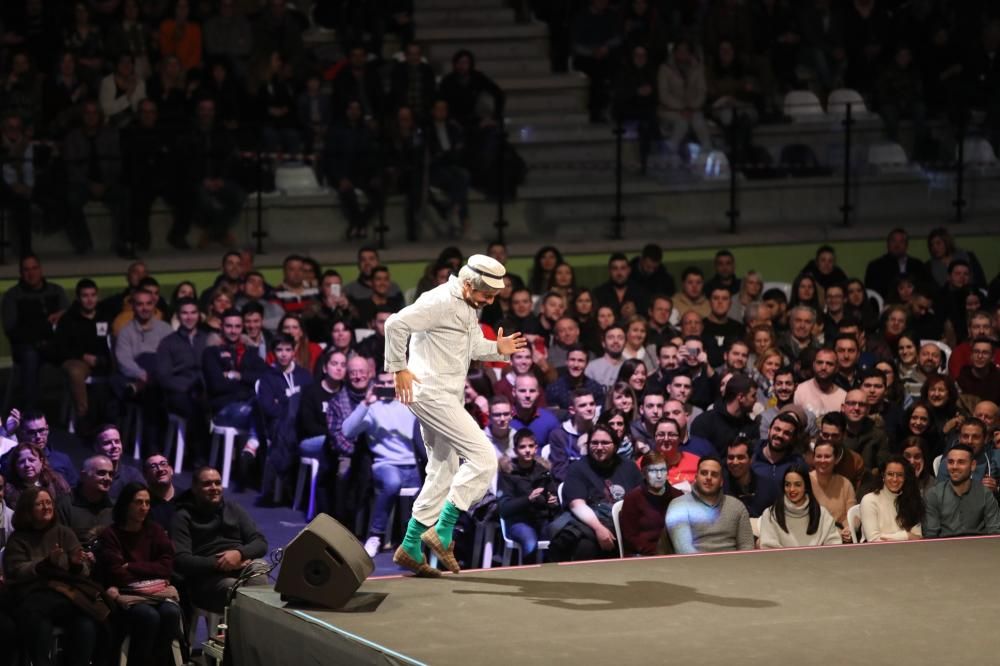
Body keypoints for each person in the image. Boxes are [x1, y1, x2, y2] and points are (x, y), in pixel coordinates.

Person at [385, 255, 525, 576]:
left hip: (446, 394)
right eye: (486, 295)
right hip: (431, 392)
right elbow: (395, 324)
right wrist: (398, 368)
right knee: (484, 458)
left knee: (444, 469)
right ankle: (443, 529)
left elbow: (472, 345)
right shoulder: (437, 301)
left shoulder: (467, 306)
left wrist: (497, 349)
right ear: (466, 284)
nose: (489, 302)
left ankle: (409, 544)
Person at [3, 487, 101, 666]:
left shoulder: (64, 532)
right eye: (40, 504)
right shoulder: (18, 539)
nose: (46, 507)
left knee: (86, 625)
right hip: (32, 597)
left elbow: (85, 570)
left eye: (49, 503)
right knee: (39, 624)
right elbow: (16, 570)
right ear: (28, 509)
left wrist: (77, 564)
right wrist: (44, 564)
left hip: (63, 596)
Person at [96, 482, 182, 666]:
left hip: (155, 594)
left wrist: (132, 566)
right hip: (126, 596)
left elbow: (166, 566)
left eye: (147, 503)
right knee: (148, 616)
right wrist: (150, 572)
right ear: (126, 504)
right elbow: (117, 574)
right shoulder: (111, 535)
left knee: (171, 612)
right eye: (138, 502)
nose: (144, 507)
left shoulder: (155, 530)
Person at [342, 370, 425, 558]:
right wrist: (366, 402)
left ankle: (414, 542)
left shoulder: (410, 403)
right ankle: (375, 535)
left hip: (413, 464)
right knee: (392, 483)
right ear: (376, 384)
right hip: (385, 464)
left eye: (391, 383)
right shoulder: (372, 408)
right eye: (383, 383)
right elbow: (347, 431)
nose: (387, 386)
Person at [172, 467, 269, 613]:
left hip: (240, 566)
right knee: (234, 588)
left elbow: (260, 542)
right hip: (206, 579)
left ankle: (250, 628)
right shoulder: (182, 517)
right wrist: (222, 563)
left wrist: (238, 554)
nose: (214, 488)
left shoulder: (233, 509)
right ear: (194, 488)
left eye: (217, 483)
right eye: (207, 484)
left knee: (259, 568)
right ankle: (247, 630)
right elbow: (181, 560)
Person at [553, 424, 643, 561]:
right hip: (591, 524)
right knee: (584, 545)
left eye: (605, 443)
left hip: (626, 524)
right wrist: (599, 529)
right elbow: (576, 504)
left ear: (616, 445)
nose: (599, 447)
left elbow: (642, 499)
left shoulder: (629, 467)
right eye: (594, 443)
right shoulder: (578, 468)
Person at [1, 254, 68, 410]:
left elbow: (69, 317)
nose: (31, 273)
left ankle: (78, 411)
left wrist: (63, 315)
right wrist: (43, 327)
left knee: (76, 351)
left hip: (54, 343)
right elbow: (11, 330)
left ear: (40, 270)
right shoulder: (12, 296)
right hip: (27, 346)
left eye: (34, 268)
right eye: (26, 270)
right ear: (21, 273)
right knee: (30, 356)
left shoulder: (56, 291)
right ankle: (30, 412)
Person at [665, 456, 755, 554]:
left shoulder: (737, 506)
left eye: (714, 474)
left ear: (721, 482)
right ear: (696, 477)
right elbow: (684, 550)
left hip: (733, 565)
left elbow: (747, 547)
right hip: (694, 566)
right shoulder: (678, 506)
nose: (708, 477)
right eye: (704, 473)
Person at [497, 428, 559, 560]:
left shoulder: (543, 471)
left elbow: (552, 496)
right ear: (515, 450)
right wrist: (528, 499)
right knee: (530, 544)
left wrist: (553, 501)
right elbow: (504, 508)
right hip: (519, 522)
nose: (527, 450)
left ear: (536, 448)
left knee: (561, 537)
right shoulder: (508, 473)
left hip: (542, 520)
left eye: (531, 446)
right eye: (522, 447)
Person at [923, 445, 1000, 538]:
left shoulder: (985, 494)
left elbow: (995, 532)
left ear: (973, 465)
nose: (954, 467)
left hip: (979, 548)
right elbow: (931, 535)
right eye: (951, 462)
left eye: (961, 462)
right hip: (944, 548)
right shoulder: (934, 494)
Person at [758, 466, 841, 548]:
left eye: (797, 485)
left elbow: (834, 546)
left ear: (806, 486)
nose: (792, 489)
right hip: (782, 561)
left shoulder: (822, 514)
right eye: (787, 485)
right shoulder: (770, 514)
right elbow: (769, 550)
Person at [620, 452, 683, 556]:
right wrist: (658, 552)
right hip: (644, 554)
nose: (659, 476)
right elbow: (630, 538)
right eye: (653, 471)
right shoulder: (632, 498)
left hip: (673, 553)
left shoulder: (678, 496)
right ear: (644, 473)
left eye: (662, 470)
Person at [859, 456, 924, 542]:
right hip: (876, 553)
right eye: (890, 474)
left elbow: (918, 538)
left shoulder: (911, 499)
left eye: (900, 475)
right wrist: (906, 535)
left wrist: (894, 537)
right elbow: (874, 540)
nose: (895, 479)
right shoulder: (869, 500)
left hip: (906, 552)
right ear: (883, 476)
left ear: (905, 478)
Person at [809, 440, 856, 543]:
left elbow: (853, 515)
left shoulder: (845, 483)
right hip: (813, 540)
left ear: (836, 459)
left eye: (827, 456)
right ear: (813, 458)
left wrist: (848, 530)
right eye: (819, 456)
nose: (822, 460)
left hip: (841, 541)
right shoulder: (804, 482)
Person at [93, 424, 145, 498]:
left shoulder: (133, 476)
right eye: (108, 443)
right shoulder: (90, 476)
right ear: (97, 448)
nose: (114, 446)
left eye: (117, 441)